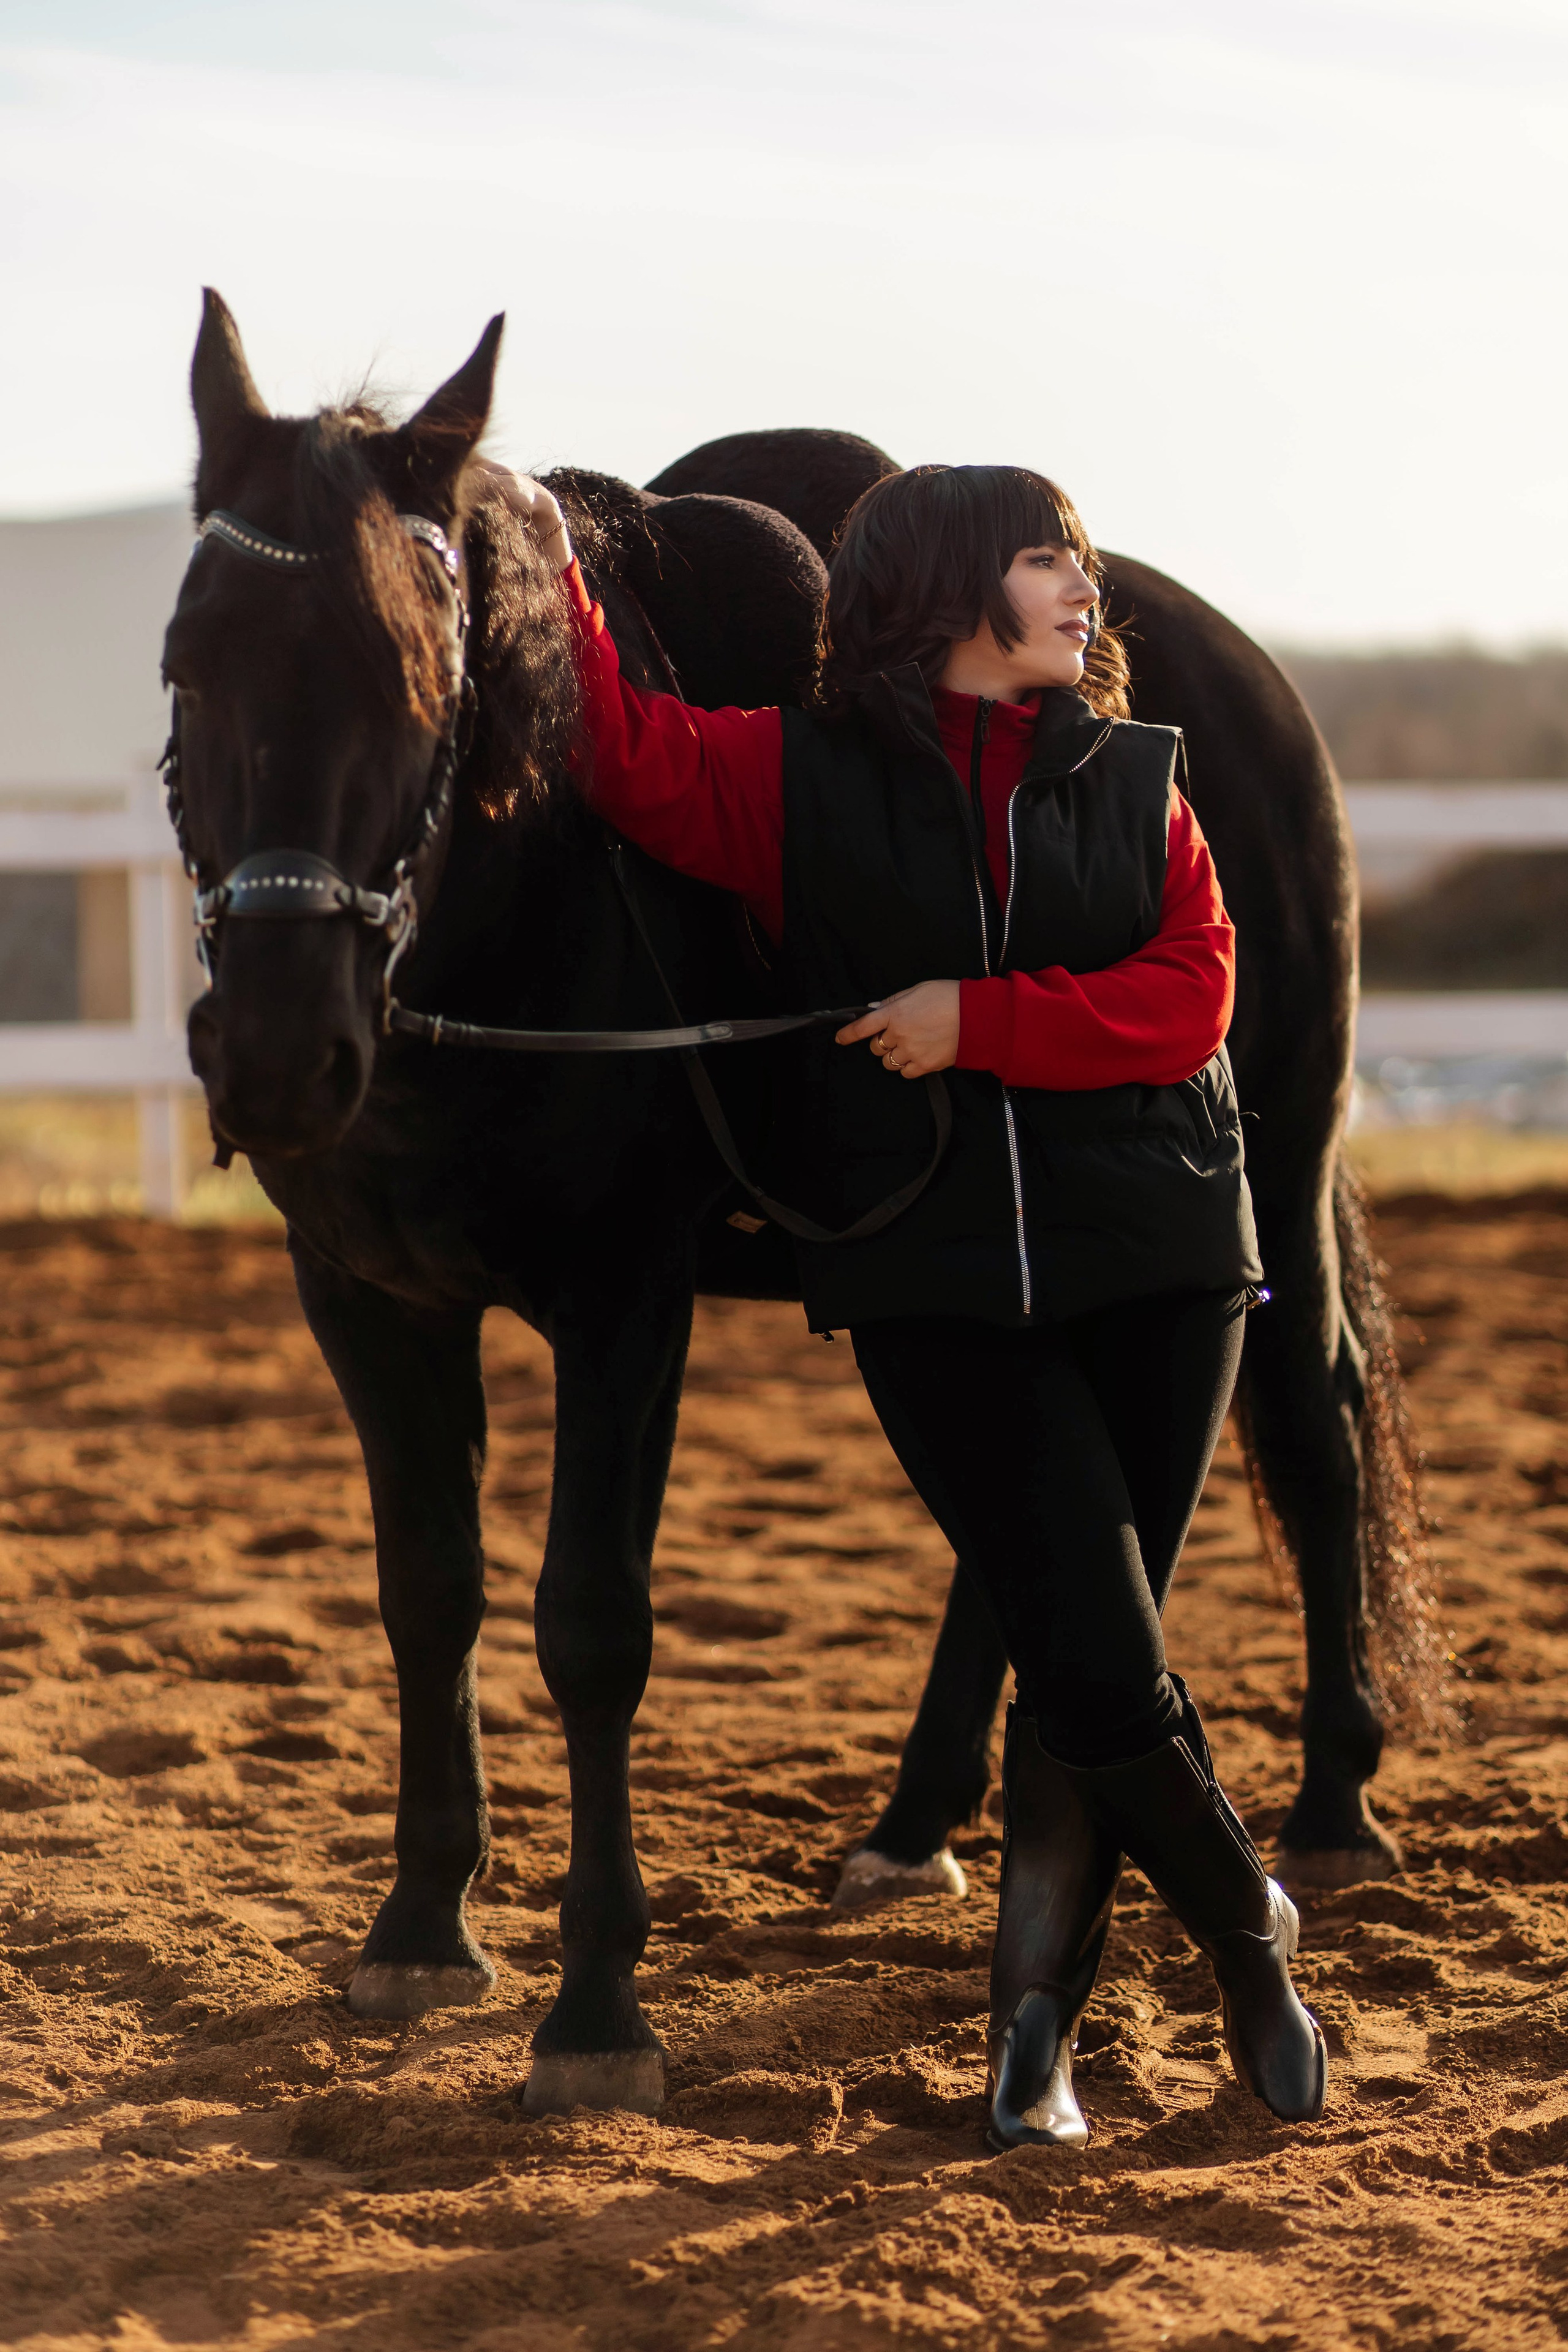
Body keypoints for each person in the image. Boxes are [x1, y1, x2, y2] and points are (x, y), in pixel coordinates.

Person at [498, 460, 1325, 2148]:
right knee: (1095, 1653)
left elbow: (1196, 993)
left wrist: (977, 1019)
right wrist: (538, 538)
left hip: (1168, 1266)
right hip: (937, 1282)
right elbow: (619, 747)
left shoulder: (1141, 779)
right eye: (1050, 564)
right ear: (951, 593)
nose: (1086, 593)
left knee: (1085, 1666)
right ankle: (1248, 1927)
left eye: (1078, 564)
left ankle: (1036, 2038)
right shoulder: (787, 783)